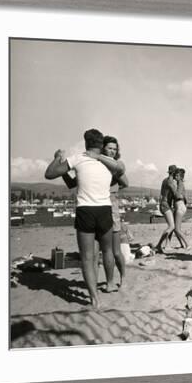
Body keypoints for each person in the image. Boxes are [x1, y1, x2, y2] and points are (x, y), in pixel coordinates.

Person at [44, 129, 124, 308]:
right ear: (101, 145)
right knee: (108, 251)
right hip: (105, 210)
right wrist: (100, 157)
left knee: (88, 257)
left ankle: (94, 298)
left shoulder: (78, 158)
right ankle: (110, 283)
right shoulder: (109, 162)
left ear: (86, 143)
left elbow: (49, 174)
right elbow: (122, 171)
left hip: (86, 210)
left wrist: (58, 157)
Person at [57, 136, 129, 289]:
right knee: (95, 254)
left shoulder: (113, 166)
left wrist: (113, 190)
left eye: (115, 149)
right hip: (94, 209)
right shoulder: (91, 164)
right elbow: (72, 183)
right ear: (103, 148)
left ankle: (122, 278)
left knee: (115, 251)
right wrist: (63, 169)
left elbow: (126, 182)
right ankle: (95, 284)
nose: (112, 151)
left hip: (111, 207)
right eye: (109, 148)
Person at [155, 165, 178, 253]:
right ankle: (159, 245)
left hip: (164, 204)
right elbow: (176, 194)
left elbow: (162, 194)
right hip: (166, 205)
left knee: (171, 226)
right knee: (172, 226)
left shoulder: (165, 180)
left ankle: (167, 245)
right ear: (174, 173)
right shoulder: (170, 182)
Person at [170, 168, 190, 250]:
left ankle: (187, 244)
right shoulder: (179, 183)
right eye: (175, 175)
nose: (176, 176)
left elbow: (177, 195)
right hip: (179, 206)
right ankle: (182, 244)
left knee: (177, 229)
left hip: (180, 206)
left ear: (181, 177)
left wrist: (172, 188)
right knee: (175, 228)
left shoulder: (180, 183)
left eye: (177, 175)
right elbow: (182, 196)